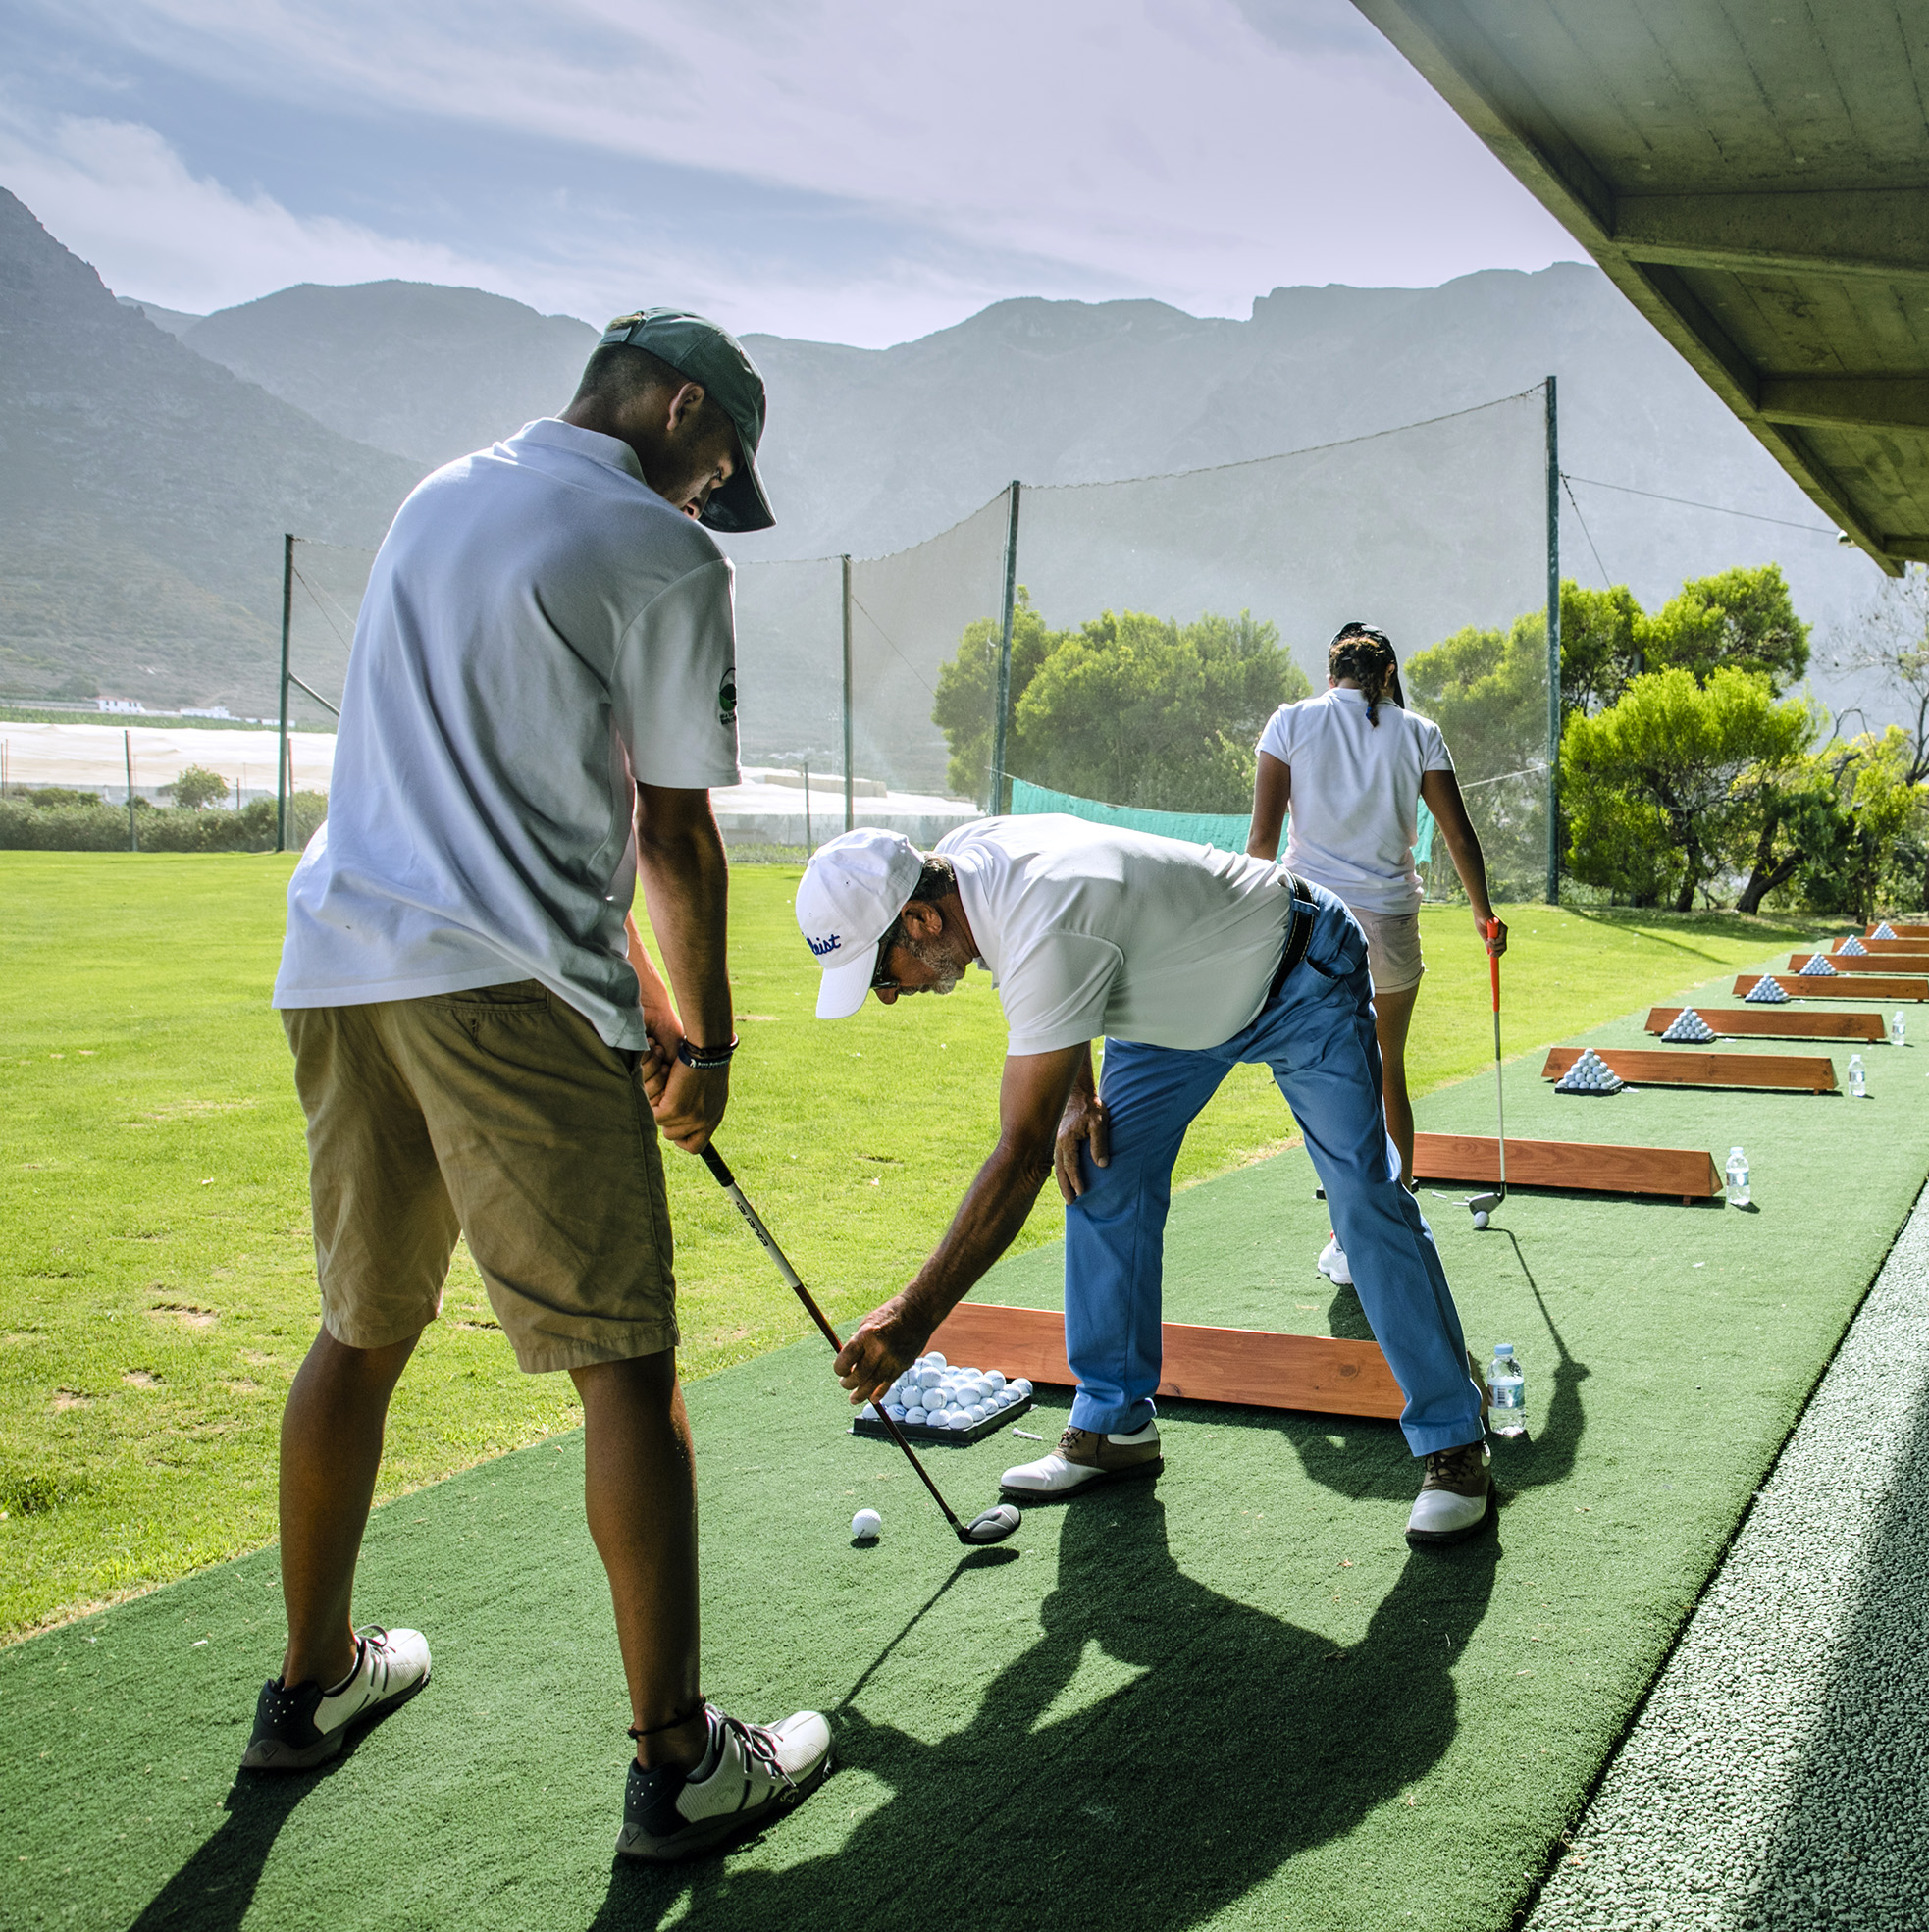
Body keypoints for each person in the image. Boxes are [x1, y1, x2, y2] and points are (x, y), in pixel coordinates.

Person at [261, 308, 831, 1862]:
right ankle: (680, 1762)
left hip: (340, 967)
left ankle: (309, 1683)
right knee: (623, 1368)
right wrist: (704, 1042)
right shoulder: (661, 549)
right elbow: (669, 833)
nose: (715, 497)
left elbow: (503, 795)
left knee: (361, 1333)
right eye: (719, 465)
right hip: (499, 1003)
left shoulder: (439, 494)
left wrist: (627, 994)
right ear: (679, 406)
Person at [800, 817, 1495, 1546]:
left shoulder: (1039, 915)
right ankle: (1113, 1424)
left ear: (919, 917)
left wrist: (912, 1318)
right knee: (1099, 1169)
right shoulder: (968, 865)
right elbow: (1068, 990)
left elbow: (1020, 1156)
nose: (885, 995)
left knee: (1361, 1197)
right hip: (1170, 1008)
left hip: (1297, 970)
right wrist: (1078, 1097)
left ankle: (1452, 1439)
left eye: (881, 973)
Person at [1245, 622, 1506, 1289]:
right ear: (1388, 673)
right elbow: (1457, 834)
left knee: (1328, 1074)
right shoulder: (1417, 731)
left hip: (1310, 928)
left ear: (1331, 670)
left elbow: (1263, 840)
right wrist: (1483, 912)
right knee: (1387, 1066)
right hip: (1388, 924)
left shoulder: (1290, 722)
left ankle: (1345, 1224)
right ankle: (1391, 1217)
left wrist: (1239, 922)